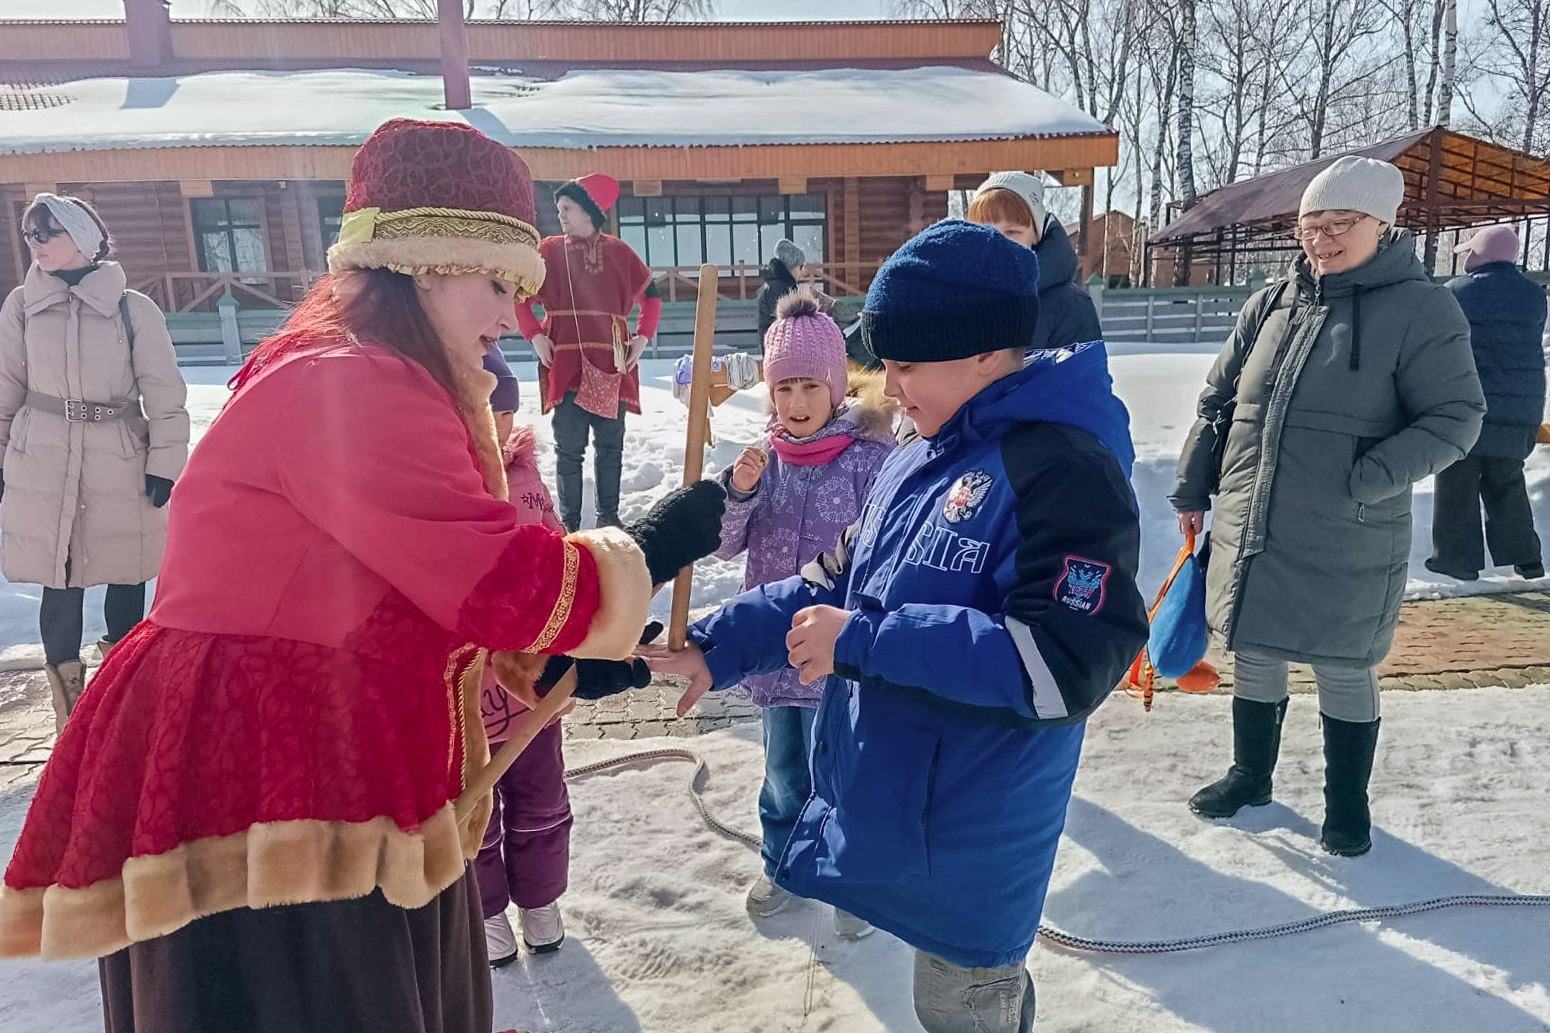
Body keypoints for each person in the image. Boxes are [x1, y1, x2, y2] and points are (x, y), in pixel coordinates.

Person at [0, 119, 726, 1033]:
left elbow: (399, 590)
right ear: (426, 260)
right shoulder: (353, 383)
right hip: (272, 780)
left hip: (319, 748)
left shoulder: (347, 364)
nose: (510, 314)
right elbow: (498, 578)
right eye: (498, 283)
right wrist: (651, 546)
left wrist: (550, 666)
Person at [644, 221, 1147, 1033]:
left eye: (909, 364)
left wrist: (866, 641)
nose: (890, 385)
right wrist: (718, 642)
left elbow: (1062, 665)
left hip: (972, 842)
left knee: (958, 1005)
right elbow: (830, 581)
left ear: (986, 352)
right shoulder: (919, 453)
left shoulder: (1064, 469)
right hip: (903, 815)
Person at [1172, 156, 1485, 857]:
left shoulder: (1421, 308)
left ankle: (1347, 804)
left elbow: (1457, 416)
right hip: (1255, 517)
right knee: (1254, 649)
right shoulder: (1274, 301)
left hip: (1350, 525)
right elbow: (1220, 402)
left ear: (1384, 223)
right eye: (1311, 224)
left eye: (1342, 223)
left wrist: (1367, 477)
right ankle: (1250, 776)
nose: (1322, 238)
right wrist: (1195, 486)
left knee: (1344, 663)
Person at [714, 289, 895, 933]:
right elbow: (728, 543)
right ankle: (784, 864)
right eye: (783, 388)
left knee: (845, 770)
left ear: (837, 387)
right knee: (784, 772)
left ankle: (850, 880)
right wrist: (738, 493)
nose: (795, 404)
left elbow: (883, 550)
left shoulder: (868, 460)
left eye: (809, 388)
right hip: (775, 648)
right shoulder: (764, 460)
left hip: (838, 654)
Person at [0, 193, 189, 733]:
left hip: (118, 458)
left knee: (125, 579)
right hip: (42, 458)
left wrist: (165, 464)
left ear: (83, 238)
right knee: (56, 581)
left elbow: (165, 394)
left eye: (46, 233)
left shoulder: (133, 309)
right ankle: (70, 717)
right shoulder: (21, 305)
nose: (34, 244)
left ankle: (122, 711)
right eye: (30, 234)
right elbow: (4, 388)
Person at [475, 380, 577, 966]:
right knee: (476, 810)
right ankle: (488, 912)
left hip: (531, 686)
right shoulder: (438, 480)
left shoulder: (526, 478)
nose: (491, 417)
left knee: (541, 801)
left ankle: (540, 903)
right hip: (464, 695)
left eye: (501, 404)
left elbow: (559, 556)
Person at [515, 173, 662, 531]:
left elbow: (652, 296)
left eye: (567, 208)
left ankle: (609, 518)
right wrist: (535, 335)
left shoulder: (620, 252)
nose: (561, 214)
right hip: (565, 365)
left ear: (589, 210)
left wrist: (643, 338)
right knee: (569, 450)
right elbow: (520, 299)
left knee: (611, 448)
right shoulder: (546, 252)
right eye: (559, 208)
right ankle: (569, 523)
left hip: (612, 362)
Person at [1426, 224, 1547, 582]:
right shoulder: (1533, 295)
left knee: (1455, 481)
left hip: (1468, 403)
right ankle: (1526, 560)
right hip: (1520, 407)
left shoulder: (1455, 293)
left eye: (1472, 252)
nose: (1468, 258)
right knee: (1506, 481)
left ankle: (1457, 560)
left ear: (1482, 254)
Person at [968, 171, 1103, 352]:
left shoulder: (1071, 307)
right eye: (985, 232)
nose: (998, 243)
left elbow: (1082, 378)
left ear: (1036, 235)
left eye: (1012, 232)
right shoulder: (958, 299)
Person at [756, 238, 808, 338]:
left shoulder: (780, 285)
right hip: (778, 345)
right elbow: (787, 321)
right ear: (791, 266)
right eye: (801, 266)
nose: (802, 272)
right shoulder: (779, 288)